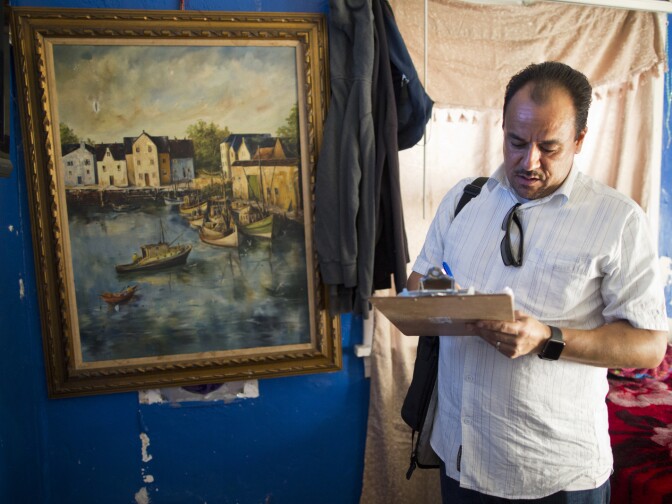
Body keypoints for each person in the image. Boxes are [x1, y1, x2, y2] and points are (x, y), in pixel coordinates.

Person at [407, 61, 669, 503]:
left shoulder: (618, 220)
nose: (528, 162)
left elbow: (649, 346)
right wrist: (442, 301)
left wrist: (548, 337)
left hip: (554, 472)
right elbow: (419, 283)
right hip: (461, 454)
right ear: (503, 128)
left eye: (549, 147)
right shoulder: (464, 199)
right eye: (516, 142)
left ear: (579, 140)